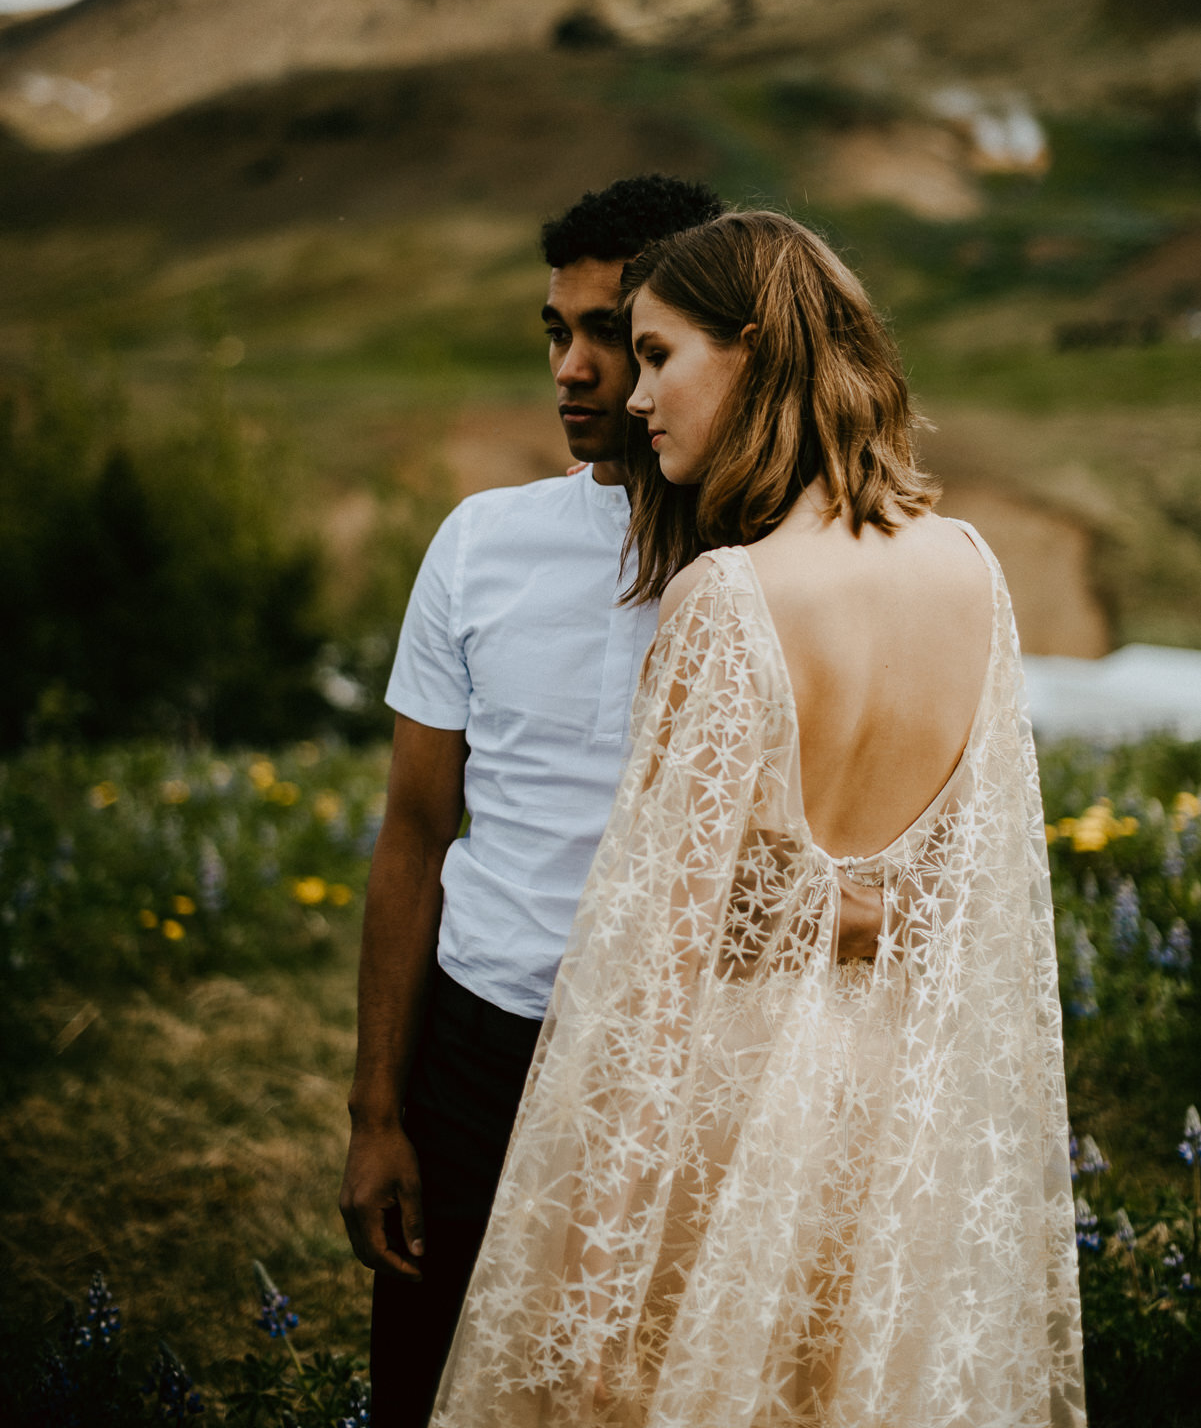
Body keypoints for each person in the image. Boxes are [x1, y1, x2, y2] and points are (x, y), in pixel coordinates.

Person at [429, 211, 1086, 1428]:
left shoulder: (727, 600)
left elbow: (643, 983)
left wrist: (584, 1289)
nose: (634, 397)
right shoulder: (970, 569)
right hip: (890, 1119)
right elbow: (965, 898)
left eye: (660, 355)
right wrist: (839, 900)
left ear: (755, 351)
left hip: (727, 1128)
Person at [340, 177, 884, 1428]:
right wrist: (378, 1111)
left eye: (619, 338)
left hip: (693, 1068)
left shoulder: (788, 574)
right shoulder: (479, 545)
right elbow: (416, 835)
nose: (577, 372)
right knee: (429, 1384)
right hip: (478, 1049)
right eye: (556, 334)